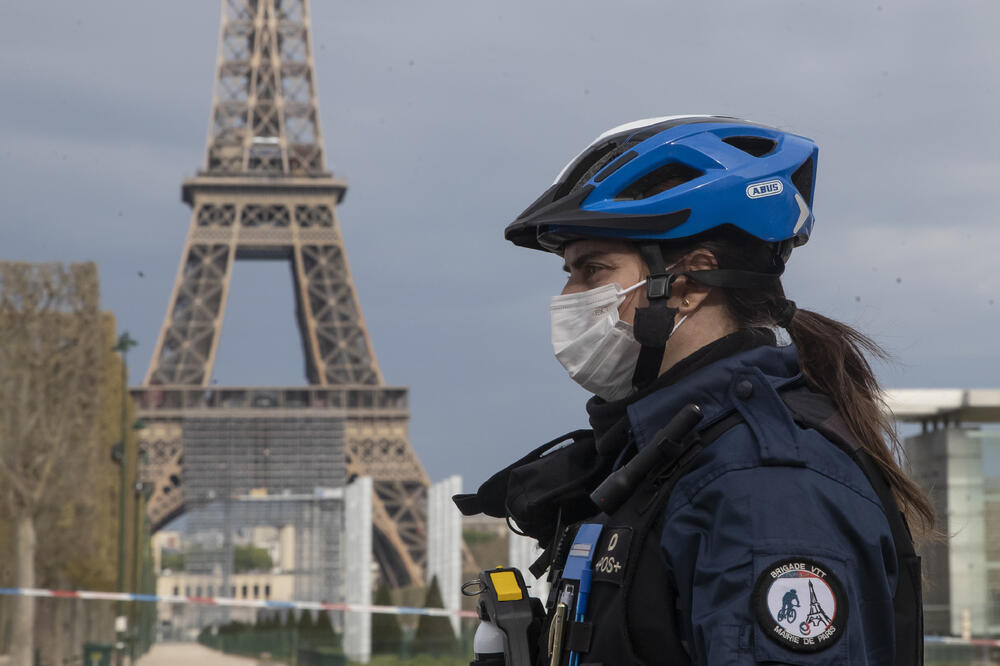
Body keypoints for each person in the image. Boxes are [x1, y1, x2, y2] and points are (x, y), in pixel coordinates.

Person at [455, 116, 933, 665]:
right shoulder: (667, 456)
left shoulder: (764, 489)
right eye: (568, 272)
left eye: (592, 269)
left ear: (687, 284)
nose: (567, 295)